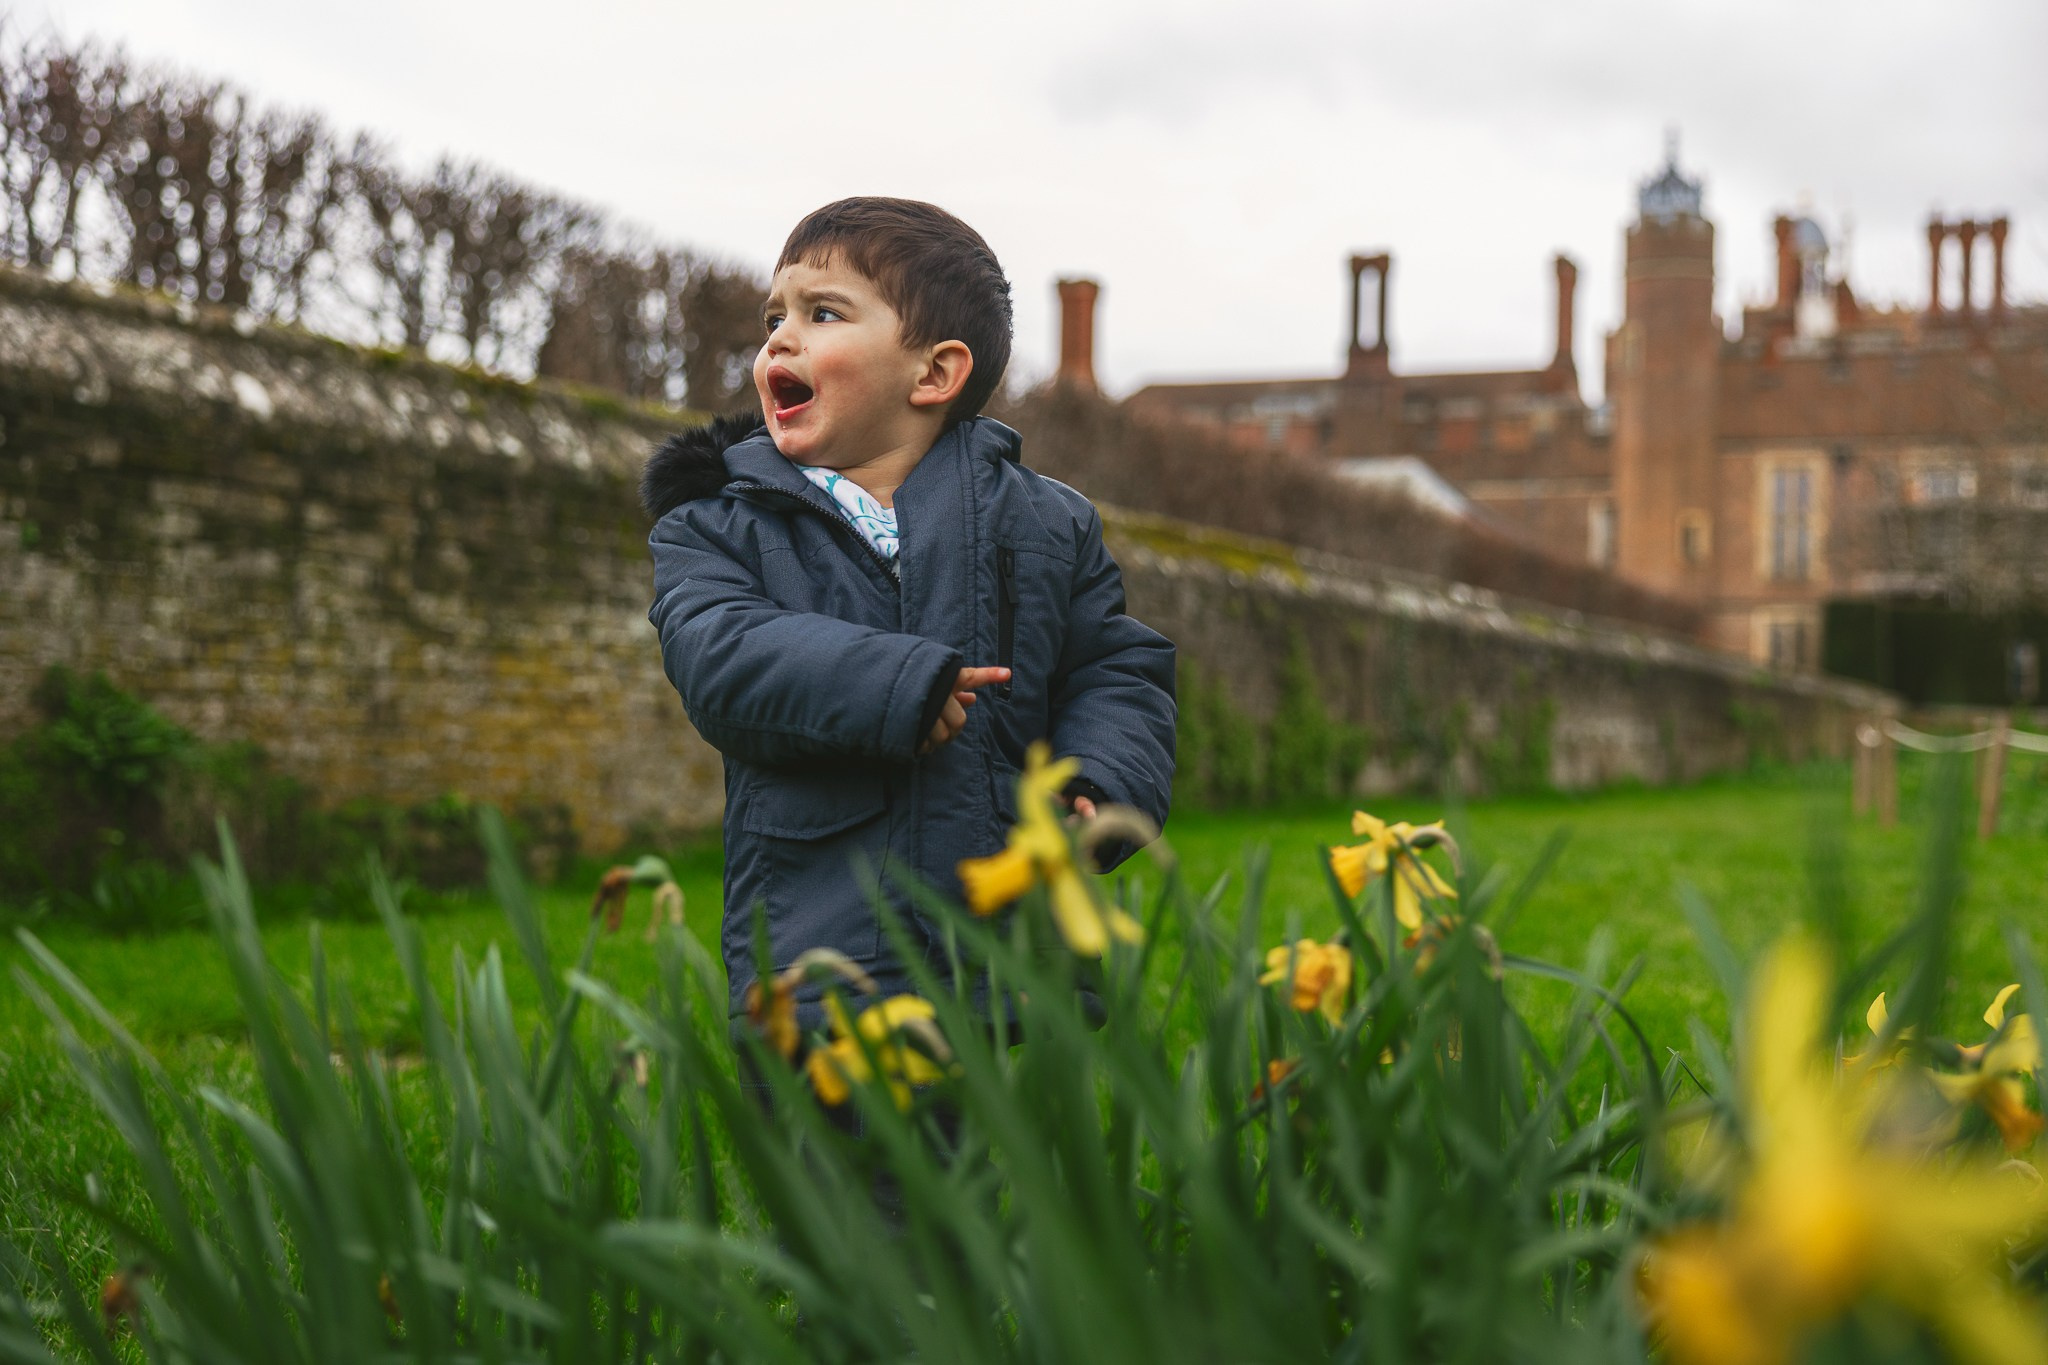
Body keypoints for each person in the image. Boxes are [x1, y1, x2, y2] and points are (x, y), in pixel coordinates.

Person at [641, 196, 1176, 1060]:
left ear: (933, 375)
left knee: (1007, 1187)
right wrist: (894, 685)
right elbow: (720, 654)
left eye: (822, 313)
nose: (778, 338)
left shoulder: (1045, 523)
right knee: (843, 1193)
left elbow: (1115, 667)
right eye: (774, 316)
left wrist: (1104, 779)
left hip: (1013, 965)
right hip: (822, 967)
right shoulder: (717, 526)